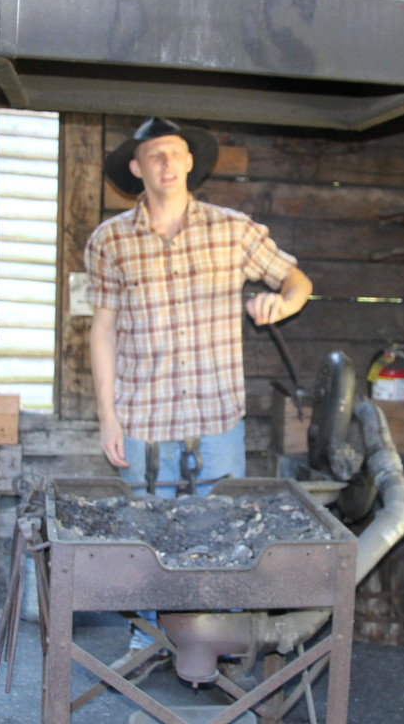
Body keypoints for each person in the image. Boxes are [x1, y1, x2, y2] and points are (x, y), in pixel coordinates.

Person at [83, 116, 312, 659]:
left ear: (190, 163)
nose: (166, 163)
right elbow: (103, 331)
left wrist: (286, 301)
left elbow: (295, 278)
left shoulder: (232, 230)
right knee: (146, 541)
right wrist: (108, 418)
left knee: (225, 536)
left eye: (176, 153)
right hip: (142, 420)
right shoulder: (110, 240)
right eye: (154, 155)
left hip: (217, 421)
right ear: (136, 168)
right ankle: (148, 640)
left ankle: (220, 645)